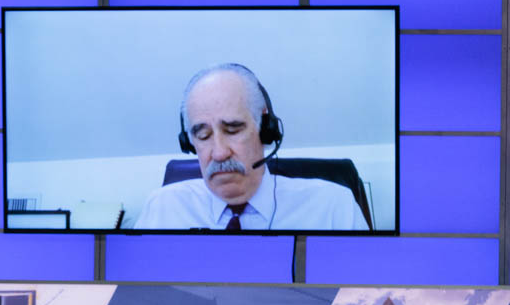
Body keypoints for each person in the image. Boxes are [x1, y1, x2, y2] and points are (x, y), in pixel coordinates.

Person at [132, 62, 368, 231]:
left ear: (266, 129)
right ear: (189, 143)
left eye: (233, 129)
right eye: (203, 135)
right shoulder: (161, 209)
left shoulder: (334, 208)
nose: (220, 152)